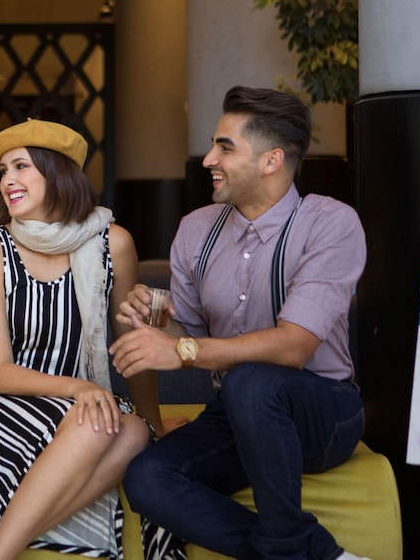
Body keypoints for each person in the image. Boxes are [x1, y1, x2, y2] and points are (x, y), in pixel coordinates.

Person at [112, 86, 369, 560]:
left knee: (252, 382)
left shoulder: (330, 223)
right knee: (147, 477)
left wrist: (185, 350)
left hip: (322, 413)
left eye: (225, 147)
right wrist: (156, 321)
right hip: (236, 410)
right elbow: (184, 338)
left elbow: (293, 347)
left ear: (271, 160)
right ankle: (304, 552)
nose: (209, 158)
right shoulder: (196, 229)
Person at [0, 118, 184, 560]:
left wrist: (155, 424)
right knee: (96, 423)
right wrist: (81, 388)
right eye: (3, 172)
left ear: (58, 173)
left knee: (132, 434)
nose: (8, 180)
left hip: (76, 400)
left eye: (21, 167)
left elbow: (134, 348)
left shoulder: (114, 244)